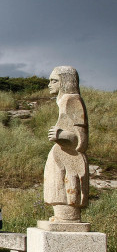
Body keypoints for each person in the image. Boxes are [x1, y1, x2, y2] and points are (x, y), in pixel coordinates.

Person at [43, 66, 88, 223]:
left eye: (54, 81)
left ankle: (68, 218)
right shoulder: (63, 102)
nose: (49, 84)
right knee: (57, 188)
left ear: (65, 82)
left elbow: (81, 140)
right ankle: (62, 216)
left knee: (65, 189)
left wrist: (61, 135)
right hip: (61, 156)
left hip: (69, 158)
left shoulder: (72, 101)